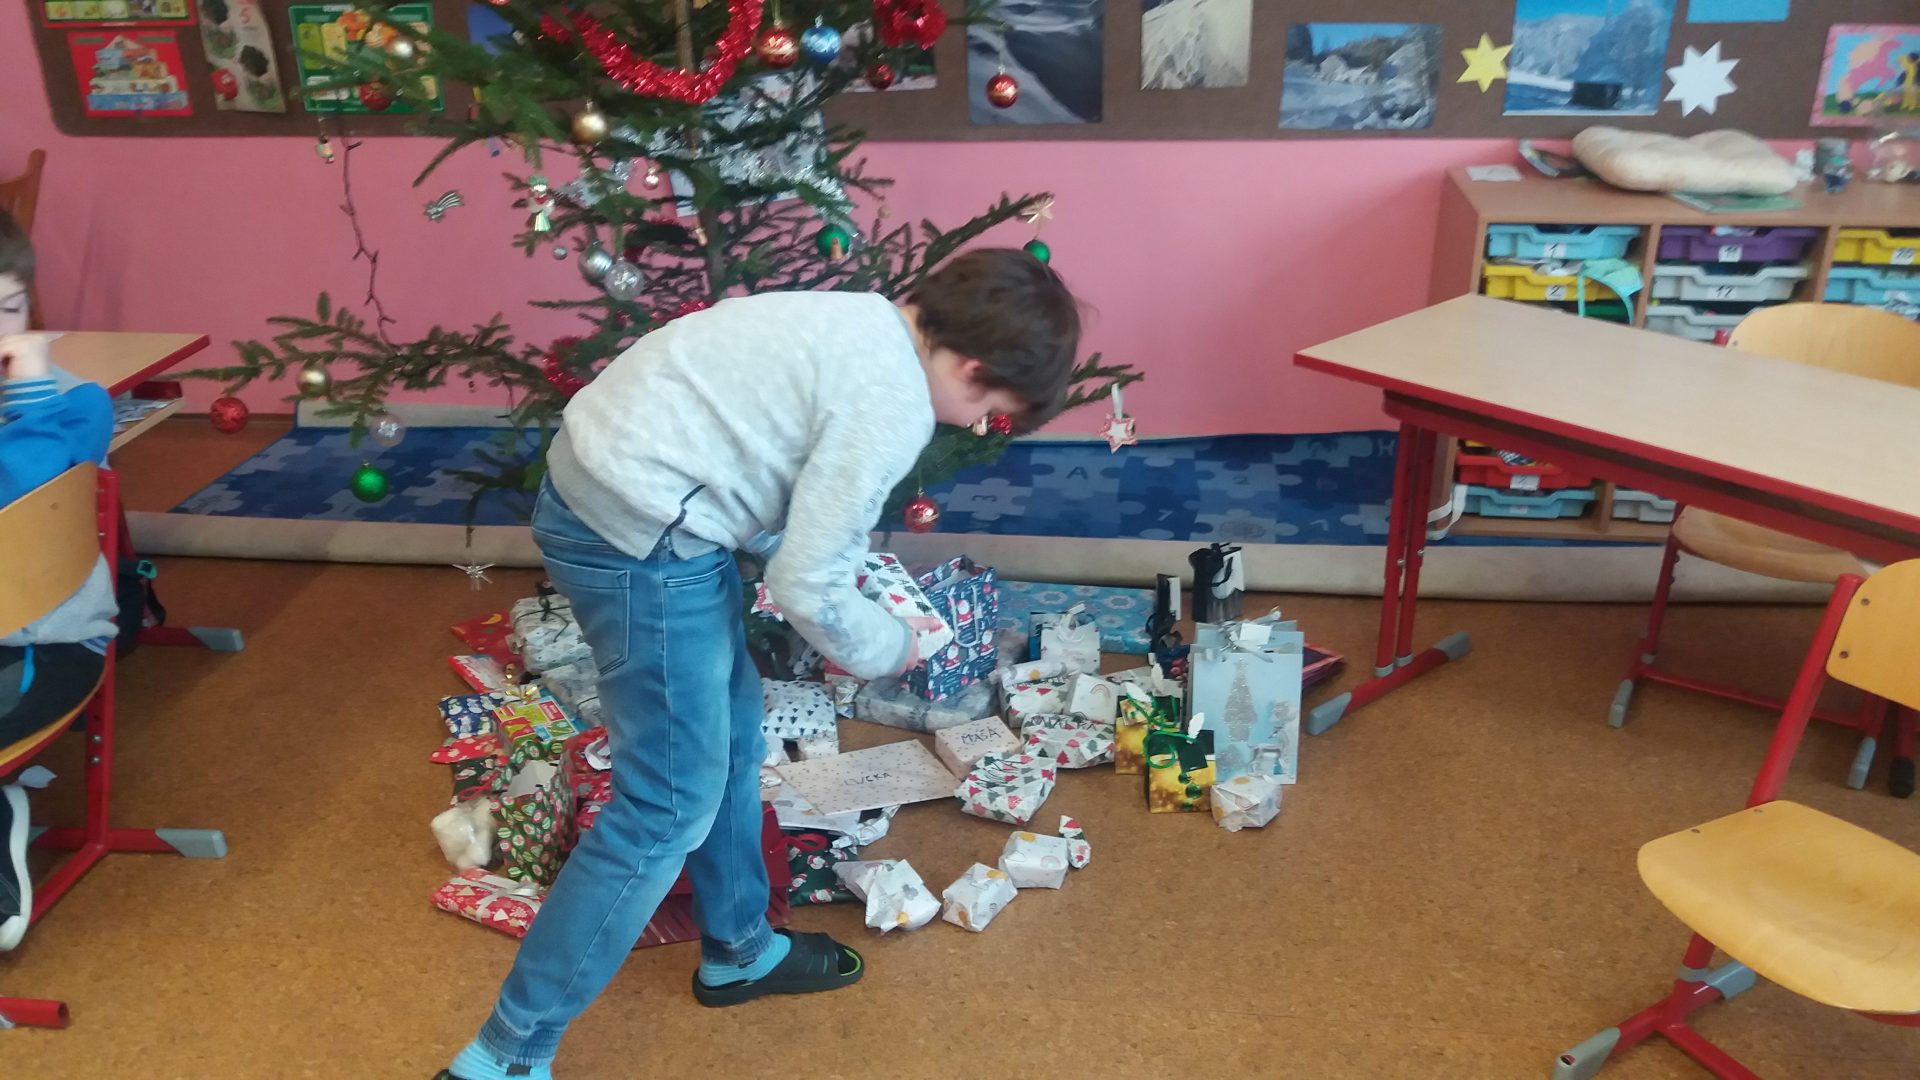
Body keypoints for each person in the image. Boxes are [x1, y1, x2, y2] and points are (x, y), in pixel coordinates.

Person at [442, 249, 1081, 1080]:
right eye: (987, 407)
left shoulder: (859, 318)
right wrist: (896, 646)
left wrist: (844, 567)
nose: (973, 422)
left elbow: (759, 458)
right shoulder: (892, 402)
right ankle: (505, 1054)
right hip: (642, 530)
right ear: (972, 367)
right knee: (666, 806)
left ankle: (740, 948)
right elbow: (806, 586)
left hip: (623, 492)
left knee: (732, 738)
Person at [0, 207, 117, 952]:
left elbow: (31, 489)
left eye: (9, 308)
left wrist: (29, 390)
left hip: (46, 644)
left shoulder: (76, 403)